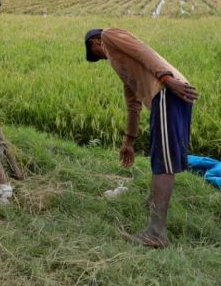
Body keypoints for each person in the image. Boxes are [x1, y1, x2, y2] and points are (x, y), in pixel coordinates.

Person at [84, 27, 199, 248]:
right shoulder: (122, 66)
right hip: (167, 94)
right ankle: (154, 202)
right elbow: (133, 105)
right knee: (161, 153)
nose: (101, 58)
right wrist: (129, 141)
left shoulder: (109, 35)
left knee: (163, 161)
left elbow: (143, 51)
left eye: (95, 54)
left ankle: (156, 233)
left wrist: (166, 79)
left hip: (167, 92)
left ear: (95, 43)